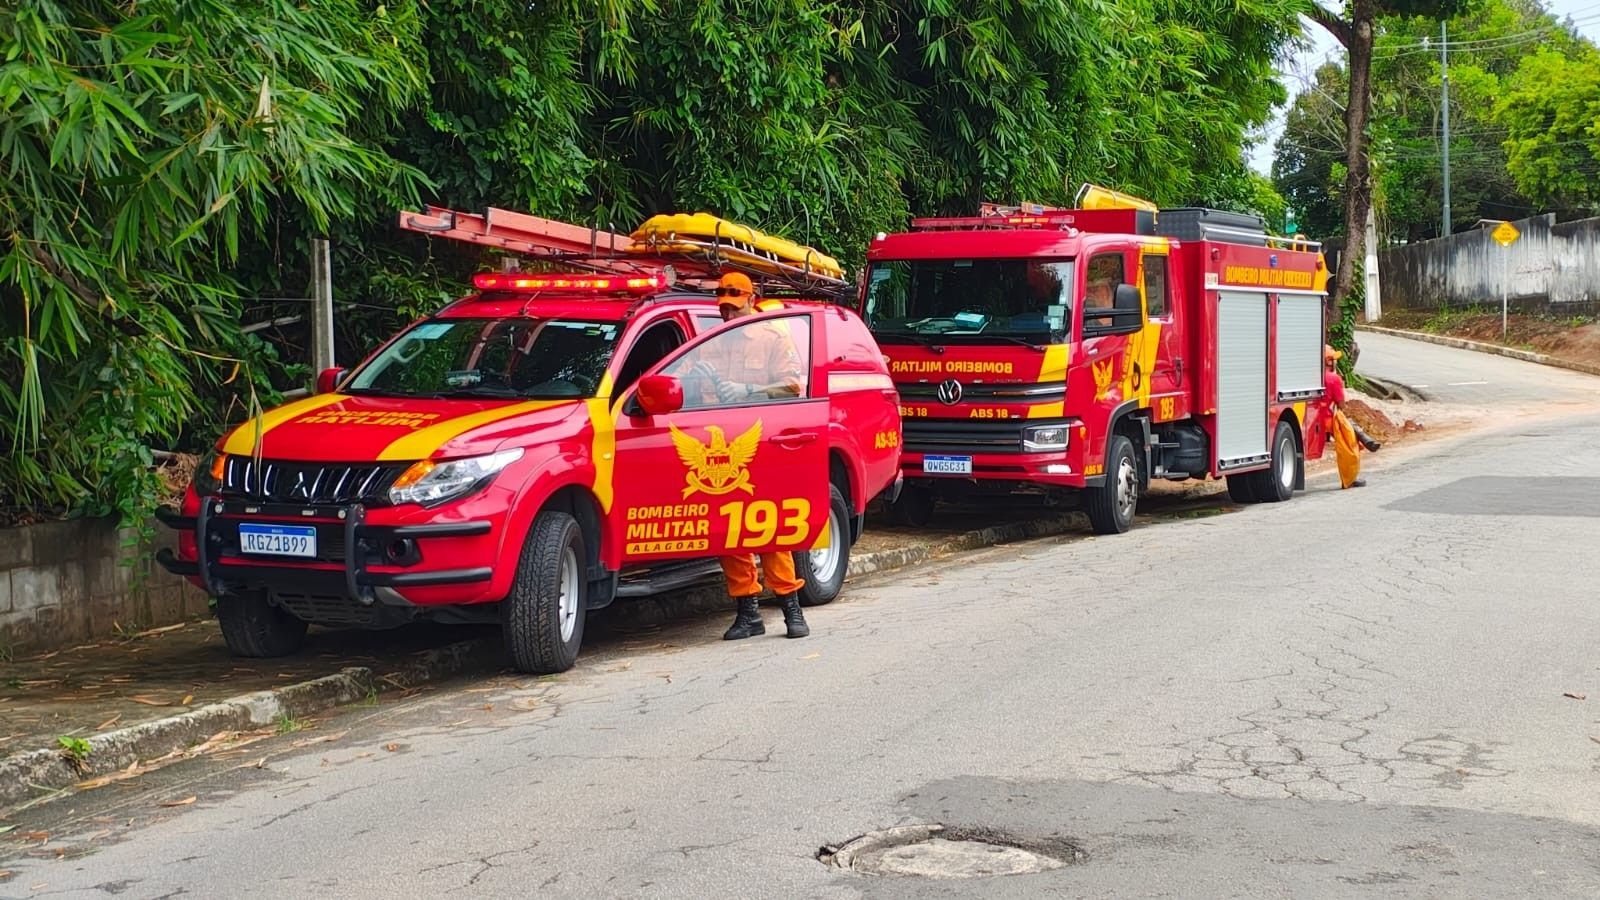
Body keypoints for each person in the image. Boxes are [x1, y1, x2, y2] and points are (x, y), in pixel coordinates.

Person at [696, 271, 810, 640]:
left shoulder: (771, 336)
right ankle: (748, 613)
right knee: (729, 530)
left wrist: (747, 390)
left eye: (734, 306)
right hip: (723, 448)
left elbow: (792, 386)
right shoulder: (711, 341)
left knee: (768, 526)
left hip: (764, 442)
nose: (728, 313)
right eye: (723, 307)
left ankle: (791, 608)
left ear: (751, 299)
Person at [1323, 344, 1378, 489]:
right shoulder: (1333, 379)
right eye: (1333, 359)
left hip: (1310, 419)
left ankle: (1364, 438)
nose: (1336, 361)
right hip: (1327, 419)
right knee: (1349, 444)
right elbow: (1341, 405)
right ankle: (1349, 479)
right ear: (1329, 361)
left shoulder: (1313, 377)